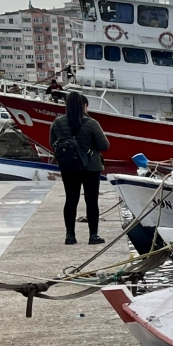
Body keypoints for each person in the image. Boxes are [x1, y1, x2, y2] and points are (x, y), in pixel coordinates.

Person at [49, 92, 110, 245]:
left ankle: (70, 236)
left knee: (71, 200)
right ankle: (93, 236)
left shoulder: (57, 123)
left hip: (69, 168)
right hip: (91, 167)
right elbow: (104, 146)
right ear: (85, 106)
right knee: (91, 201)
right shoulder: (92, 123)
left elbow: (53, 144)